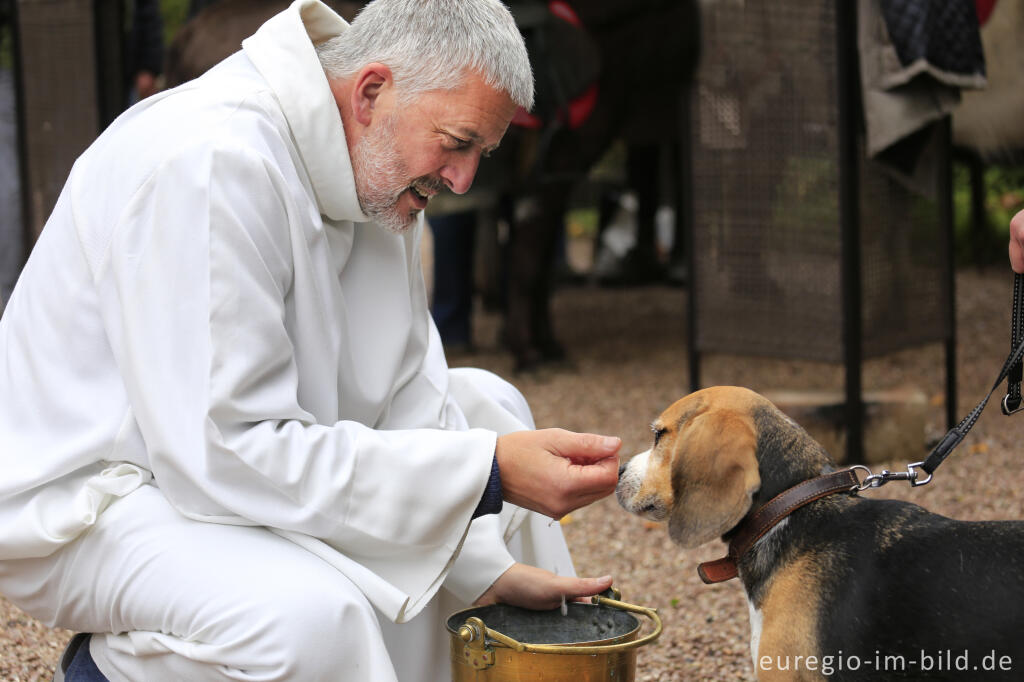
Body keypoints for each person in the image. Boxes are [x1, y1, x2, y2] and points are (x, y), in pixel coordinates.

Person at [0, 1, 622, 680]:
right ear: (372, 91)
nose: (462, 180)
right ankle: (117, 665)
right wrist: (490, 474)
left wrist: (486, 571)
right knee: (312, 621)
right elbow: (224, 455)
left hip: (214, 462)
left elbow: (410, 402)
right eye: (457, 141)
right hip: (96, 496)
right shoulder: (211, 162)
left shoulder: (380, 163)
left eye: (483, 153)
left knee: (488, 404)